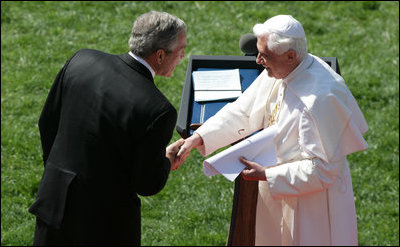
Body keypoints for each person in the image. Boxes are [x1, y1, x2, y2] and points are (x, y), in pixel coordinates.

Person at [177, 15, 368, 245]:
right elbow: (244, 111)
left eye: (264, 55)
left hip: (311, 210)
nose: (258, 60)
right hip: (277, 191)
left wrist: (266, 174)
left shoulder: (321, 99)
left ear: (290, 56)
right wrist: (198, 138)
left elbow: (324, 170)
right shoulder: (283, 70)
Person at [28, 11, 187, 245]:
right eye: (181, 49)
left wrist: (59, 172)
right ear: (160, 55)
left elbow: (47, 122)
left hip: (55, 203)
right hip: (106, 226)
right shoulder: (157, 109)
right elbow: (146, 183)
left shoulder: (81, 60)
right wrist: (166, 160)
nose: (183, 56)